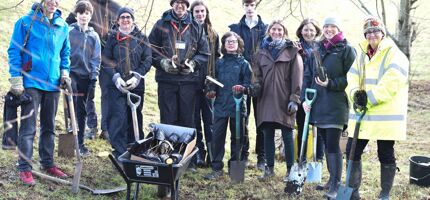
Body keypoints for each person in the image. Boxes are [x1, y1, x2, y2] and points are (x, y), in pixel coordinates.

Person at [345, 16, 409, 200]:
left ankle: (384, 194)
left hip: (385, 115)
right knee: (352, 150)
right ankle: (352, 192)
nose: (372, 35)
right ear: (365, 35)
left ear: (383, 33)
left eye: (375, 31)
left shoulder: (394, 54)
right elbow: (352, 77)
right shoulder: (361, 54)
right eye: (368, 32)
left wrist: (368, 98)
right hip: (362, 114)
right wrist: (355, 94)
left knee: (385, 153)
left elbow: (392, 82)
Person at [7, 0, 70, 185]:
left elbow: (65, 53)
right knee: (29, 128)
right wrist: (16, 78)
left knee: (49, 126)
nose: (53, 2)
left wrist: (65, 72)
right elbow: (14, 50)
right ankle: (25, 167)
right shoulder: (26, 22)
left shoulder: (63, 26)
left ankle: (47, 163)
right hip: (32, 81)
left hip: (53, 83)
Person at [302, 16, 356, 199]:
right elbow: (308, 77)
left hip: (336, 105)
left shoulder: (346, 50)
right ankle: (331, 178)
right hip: (318, 104)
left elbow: (351, 80)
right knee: (325, 143)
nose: (329, 29)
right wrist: (304, 99)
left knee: (334, 146)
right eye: (326, 26)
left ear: (338, 29)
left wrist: (330, 83)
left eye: (333, 26)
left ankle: (336, 185)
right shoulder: (316, 50)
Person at [253, 20, 303, 179]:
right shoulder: (261, 52)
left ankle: (290, 170)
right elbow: (256, 75)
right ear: (269, 31)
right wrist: (254, 88)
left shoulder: (292, 51)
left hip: (284, 99)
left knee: (287, 133)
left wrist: (294, 98)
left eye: (280, 29)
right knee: (267, 133)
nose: (276, 32)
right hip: (266, 98)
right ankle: (269, 169)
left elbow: (297, 76)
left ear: (284, 31)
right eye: (273, 29)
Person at [66, 0, 122, 141]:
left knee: (107, 92)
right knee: (87, 94)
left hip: (108, 58)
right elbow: (68, 23)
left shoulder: (115, 7)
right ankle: (90, 126)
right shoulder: (85, 3)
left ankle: (106, 129)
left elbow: (123, 30)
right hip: (86, 59)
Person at [148, 0, 208, 128]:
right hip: (166, 81)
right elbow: (150, 49)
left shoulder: (196, 26)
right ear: (172, 4)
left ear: (187, 5)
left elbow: (204, 53)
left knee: (187, 121)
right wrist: (163, 63)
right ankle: (168, 148)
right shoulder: (161, 24)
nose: (180, 5)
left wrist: (193, 64)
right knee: (167, 120)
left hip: (188, 82)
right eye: (176, 2)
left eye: (183, 3)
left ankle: (185, 148)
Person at [102, 7, 152, 158]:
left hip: (136, 86)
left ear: (132, 19)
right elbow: (106, 60)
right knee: (118, 117)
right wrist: (115, 77)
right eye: (122, 17)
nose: (125, 20)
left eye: (128, 17)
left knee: (135, 116)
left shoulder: (141, 38)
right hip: (116, 86)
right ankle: (120, 152)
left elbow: (148, 59)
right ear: (117, 20)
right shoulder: (112, 37)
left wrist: (137, 76)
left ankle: (135, 149)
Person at [203, 32, 252, 180]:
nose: (231, 44)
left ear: (239, 45)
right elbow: (211, 83)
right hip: (220, 106)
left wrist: (242, 88)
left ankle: (235, 168)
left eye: (234, 41)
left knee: (238, 138)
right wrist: (210, 91)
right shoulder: (218, 63)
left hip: (238, 107)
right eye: (228, 42)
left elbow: (250, 86)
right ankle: (216, 168)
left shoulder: (244, 64)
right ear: (224, 45)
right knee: (217, 137)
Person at [229, 0, 268, 170]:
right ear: (243, 7)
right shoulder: (235, 29)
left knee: (261, 120)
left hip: (261, 80)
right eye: (246, 5)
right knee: (242, 119)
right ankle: (242, 155)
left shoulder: (265, 28)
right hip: (242, 80)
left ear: (256, 6)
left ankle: (262, 156)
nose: (250, 8)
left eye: (252, 5)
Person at [295, 18, 327, 189]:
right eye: (305, 30)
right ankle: (301, 161)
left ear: (316, 31)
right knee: (303, 128)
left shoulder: (321, 48)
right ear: (300, 31)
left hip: (319, 93)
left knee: (319, 129)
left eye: (312, 30)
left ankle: (318, 160)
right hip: (303, 93)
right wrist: (301, 99)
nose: (308, 33)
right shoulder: (295, 48)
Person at [68, 1, 101, 156]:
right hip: (71, 74)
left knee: (81, 111)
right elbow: (63, 52)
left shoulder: (94, 36)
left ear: (90, 15)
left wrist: (94, 77)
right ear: (76, 14)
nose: (83, 16)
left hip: (86, 76)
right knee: (71, 104)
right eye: (81, 13)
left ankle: (80, 144)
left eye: (86, 13)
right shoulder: (69, 32)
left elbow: (96, 58)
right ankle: (68, 143)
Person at [190, 0, 220, 167]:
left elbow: (215, 59)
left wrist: (213, 82)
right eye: (196, 11)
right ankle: (198, 154)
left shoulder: (213, 34)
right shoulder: (187, 32)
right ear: (192, 13)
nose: (200, 14)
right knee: (194, 119)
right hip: (191, 83)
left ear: (206, 13)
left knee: (210, 120)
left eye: (202, 11)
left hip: (208, 83)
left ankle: (212, 154)